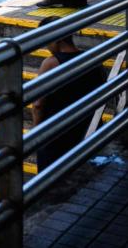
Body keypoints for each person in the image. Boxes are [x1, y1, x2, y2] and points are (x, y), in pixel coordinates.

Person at [30, 17, 106, 171]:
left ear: (55, 40)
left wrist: (37, 132)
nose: (45, 46)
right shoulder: (92, 57)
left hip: (57, 130)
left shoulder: (52, 63)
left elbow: (38, 104)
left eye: (46, 41)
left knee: (51, 178)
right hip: (88, 125)